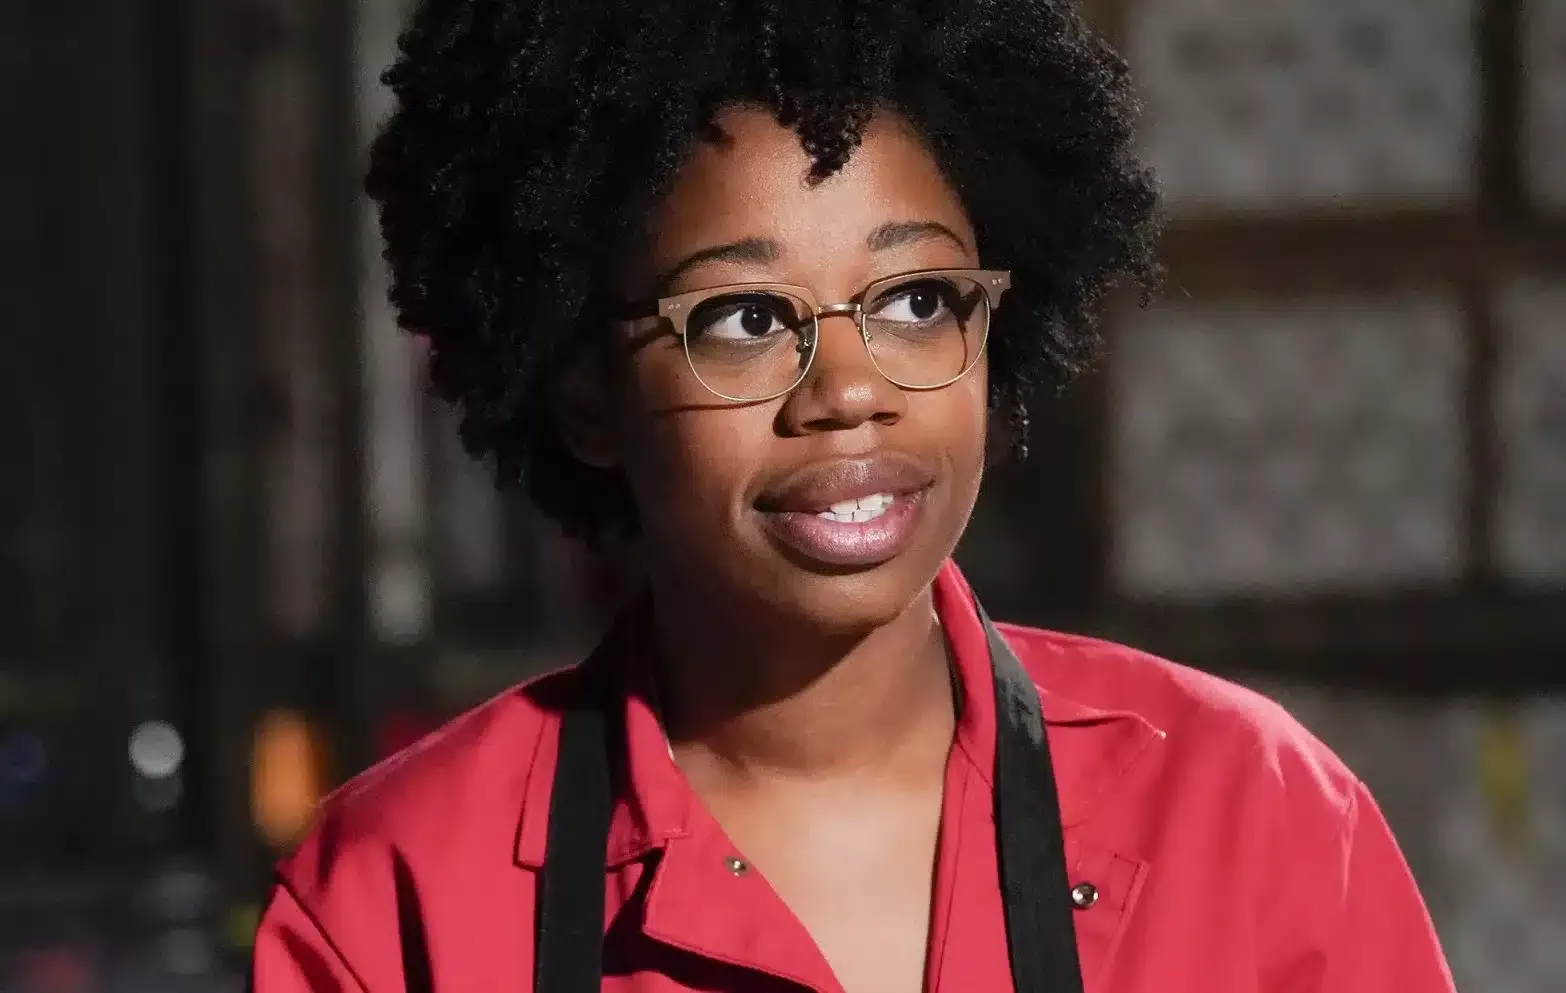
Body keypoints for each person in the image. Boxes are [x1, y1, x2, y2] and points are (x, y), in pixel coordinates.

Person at [251, 1, 1457, 991]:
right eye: (742, 319)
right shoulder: (397, 900)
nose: (848, 392)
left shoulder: (1252, 821)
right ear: (586, 396)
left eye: (917, 302)